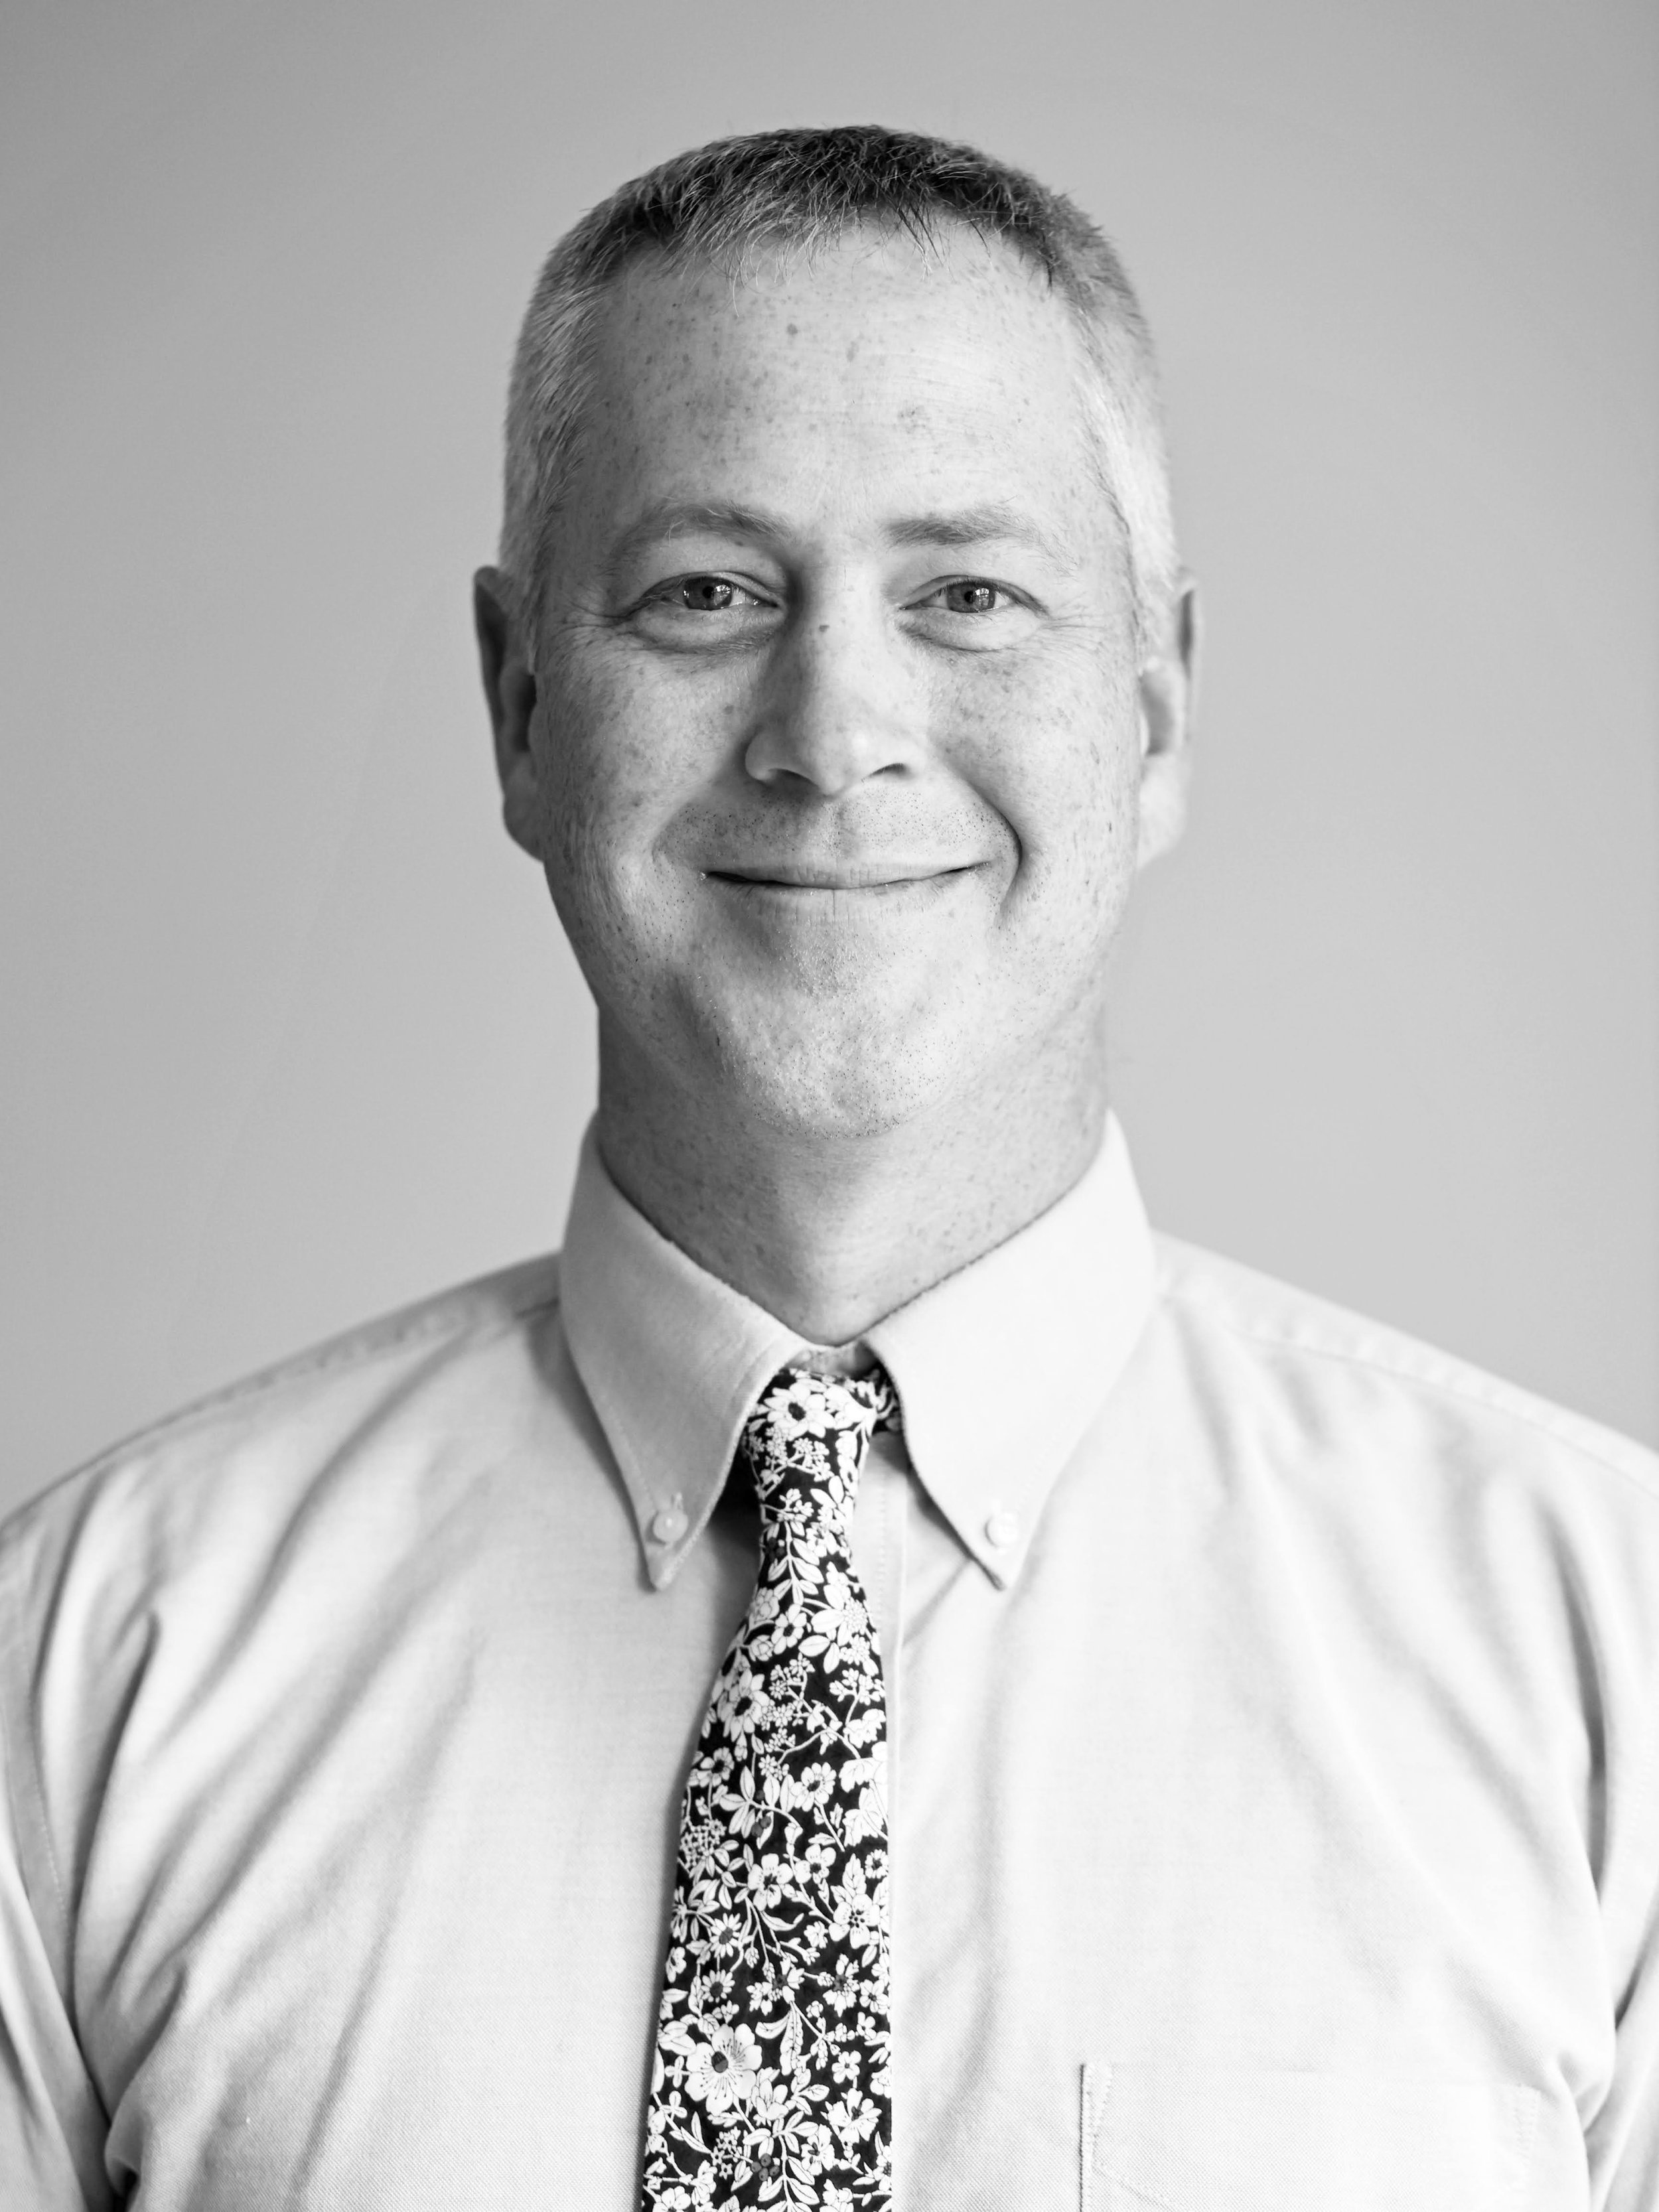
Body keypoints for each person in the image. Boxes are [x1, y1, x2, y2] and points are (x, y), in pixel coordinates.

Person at [1, 123, 1654, 2212]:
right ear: (520, 705)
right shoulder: (84, 1675)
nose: (832, 725)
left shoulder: (1610, 1676)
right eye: (707, 594)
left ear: (1150, 710)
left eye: (965, 593)